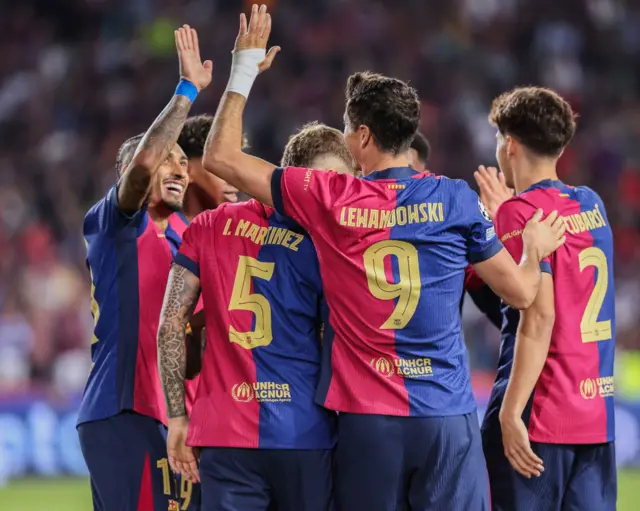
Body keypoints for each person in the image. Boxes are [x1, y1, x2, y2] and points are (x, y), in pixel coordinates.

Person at [200, 5, 566, 510]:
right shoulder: (456, 198)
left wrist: (243, 68)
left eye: (348, 130)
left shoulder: (328, 197)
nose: (346, 139)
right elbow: (523, 294)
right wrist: (537, 252)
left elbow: (219, 157)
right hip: (444, 417)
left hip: (368, 422)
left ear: (364, 137)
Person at [157, 121, 355, 511]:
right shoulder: (327, 244)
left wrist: (177, 417)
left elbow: (168, 325)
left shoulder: (208, 225)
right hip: (306, 433)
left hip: (224, 436)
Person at [77, 26, 211, 511]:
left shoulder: (187, 236)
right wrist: (187, 90)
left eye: (182, 162)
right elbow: (141, 167)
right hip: (124, 408)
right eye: (166, 161)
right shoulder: (115, 223)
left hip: (174, 414)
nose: (177, 168)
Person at [476, 87, 616, 511]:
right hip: (595, 417)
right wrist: (510, 213)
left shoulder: (520, 215)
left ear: (511, 145)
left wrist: (509, 412)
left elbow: (538, 318)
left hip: (542, 416)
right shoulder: (592, 203)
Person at [178, 114, 244, 220]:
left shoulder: (242, 232)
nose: (234, 181)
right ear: (186, 170)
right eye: (222, 167)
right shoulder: (156, 229)